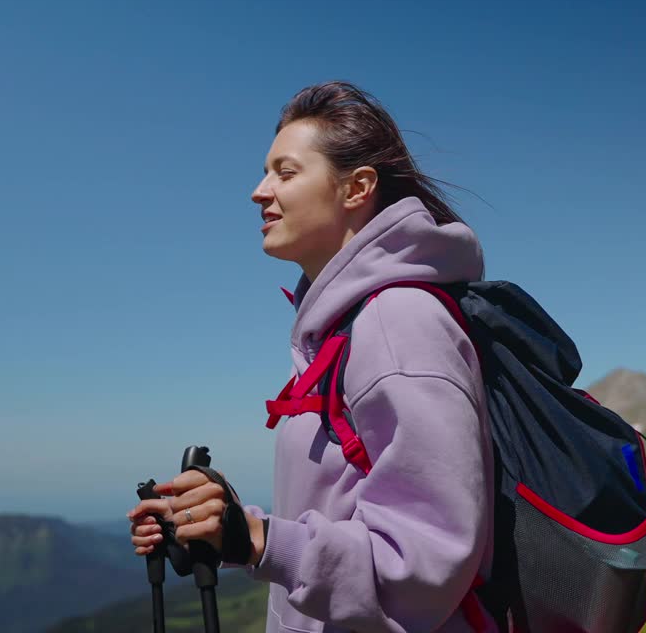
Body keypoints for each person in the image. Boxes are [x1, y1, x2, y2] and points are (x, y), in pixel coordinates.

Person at [127, 81, 497, 632]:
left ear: (357, 188)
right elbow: (343, 513)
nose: (258, 191)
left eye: (286, 171)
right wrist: (221, 524)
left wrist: (256, 539)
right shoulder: (339, 330)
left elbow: (424, 557)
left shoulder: (398, 322)